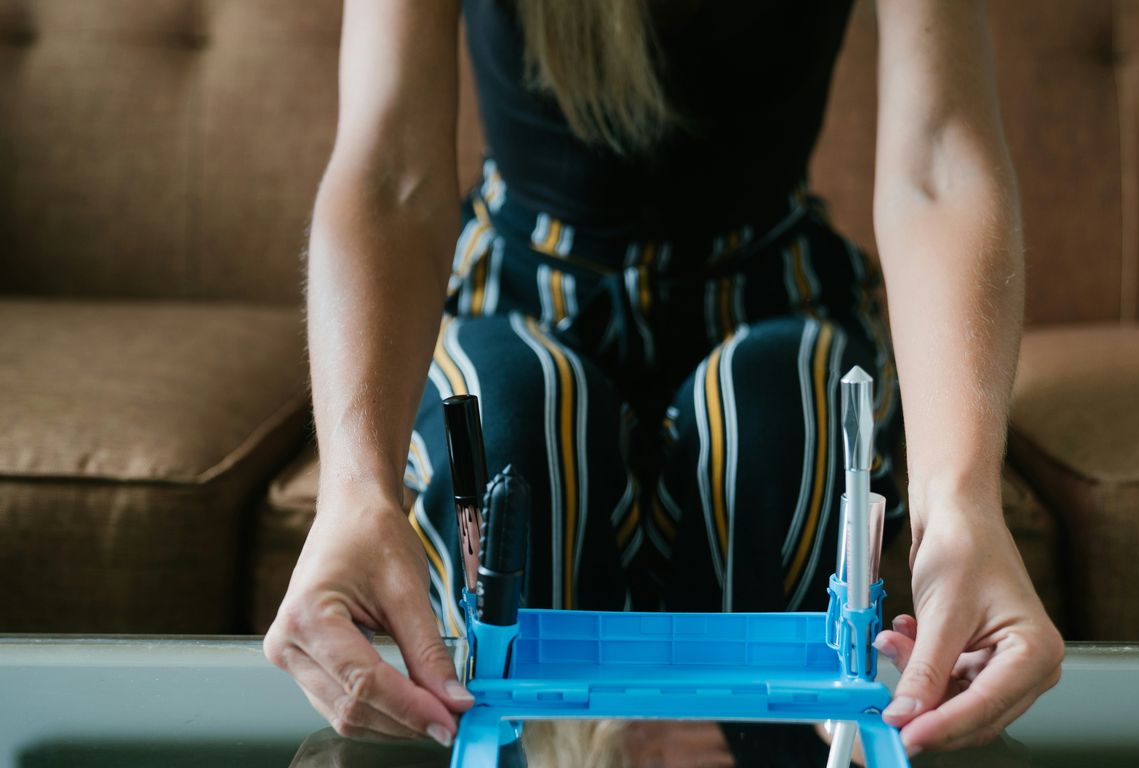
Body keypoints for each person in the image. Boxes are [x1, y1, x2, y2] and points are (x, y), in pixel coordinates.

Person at [264, 0, 1064, 760]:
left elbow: (938, 163)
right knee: (510, 421)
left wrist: (960, 506)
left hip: (770, 294)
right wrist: (354, 495)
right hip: (519, 292)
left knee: (778, 416)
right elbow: (390, 170)